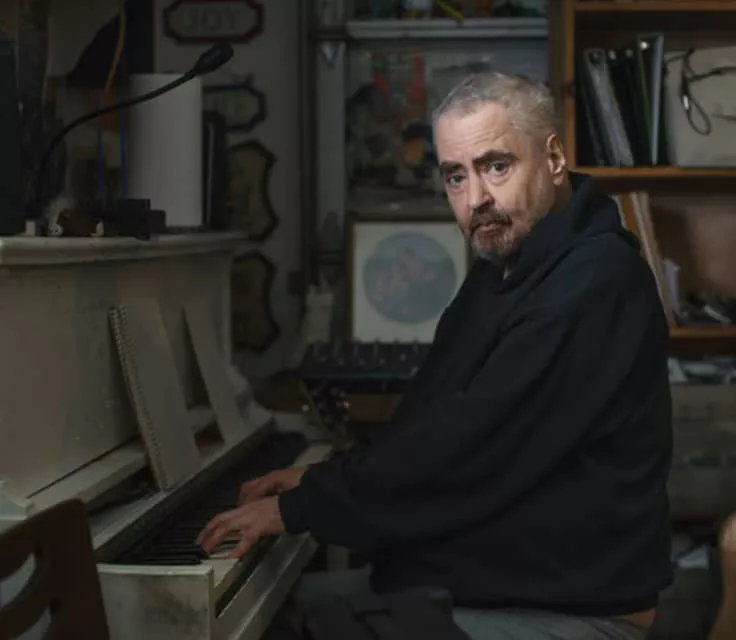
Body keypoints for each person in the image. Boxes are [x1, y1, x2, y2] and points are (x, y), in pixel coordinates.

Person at [197, 71, 673, 640]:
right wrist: (316, 480)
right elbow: (435, 427)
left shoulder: (595, 281)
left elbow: (472, 448)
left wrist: (301, 507)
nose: (476, 199)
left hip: (572, 612)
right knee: (264, 617)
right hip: (497, 587)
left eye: (497, 166)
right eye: (456, 176)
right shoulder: (511, 265)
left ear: (552, 159)